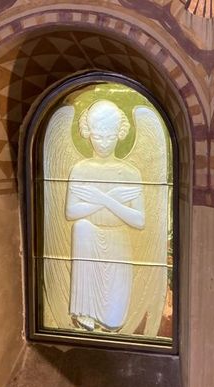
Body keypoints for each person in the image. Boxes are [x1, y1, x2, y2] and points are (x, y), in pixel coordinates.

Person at [66, 100, 145, 331]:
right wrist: (112, 199)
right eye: (98, 137)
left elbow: (139, 220)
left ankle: (110, 321)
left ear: (119, 135)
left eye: (109, 137)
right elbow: (71, 212)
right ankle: (84, 312)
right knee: (81, 227)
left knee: (114, 321)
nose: (103, 143)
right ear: (88, 134)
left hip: (118, 241)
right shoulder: (80, 169)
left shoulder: (131, 173)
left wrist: (101, 198)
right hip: (87, 242)